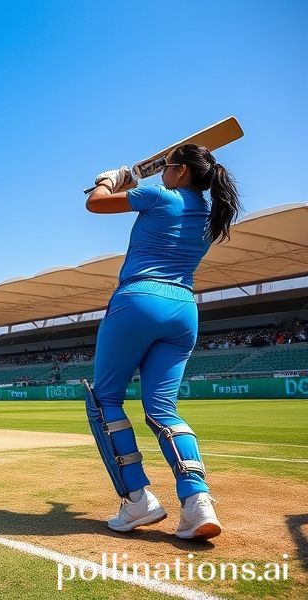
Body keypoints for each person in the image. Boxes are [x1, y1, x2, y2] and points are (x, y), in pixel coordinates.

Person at [84, 144, 240, 540]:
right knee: (162, 410)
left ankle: (137, 499)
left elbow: (95, 204)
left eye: (167, 167)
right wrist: (131, 184)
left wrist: (108, 180)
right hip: (183, 309)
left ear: (182, 171)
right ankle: (197, 501)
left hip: (138, 299)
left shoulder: (159, 195)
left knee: (105, 400)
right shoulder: (211, 213)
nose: (162, 173)